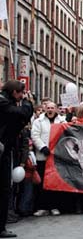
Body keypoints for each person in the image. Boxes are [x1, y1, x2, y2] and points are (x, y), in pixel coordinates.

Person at [0, 80, 33, 238]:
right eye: (21, 93)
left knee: (5, 188)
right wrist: (27, 103)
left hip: (5, 150)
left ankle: (1, 227)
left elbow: (22, 120)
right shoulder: (2, 102)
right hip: (2, 149)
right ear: (14, 92)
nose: (22, 96)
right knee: (3, 188)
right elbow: (22, 114)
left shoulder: (7, 103)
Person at [31, 102, 66, 217]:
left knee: (55, 183)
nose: (50, 110)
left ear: (56, 109)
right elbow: (35, 136)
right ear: (45, 109)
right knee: (41, 183)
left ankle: (54, 206)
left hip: (57, 157)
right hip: (43, 156)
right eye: (48, 108)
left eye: (52, 108)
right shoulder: (38, 122)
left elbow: (67, 135)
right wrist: (42, 147)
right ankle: (42, 207)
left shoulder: (62, 122)